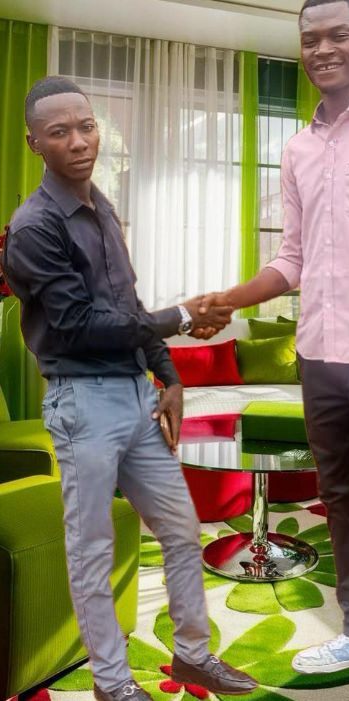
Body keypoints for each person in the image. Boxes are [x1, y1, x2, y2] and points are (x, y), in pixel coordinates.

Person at [200, 1, 349, 699]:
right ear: (301, 49)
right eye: (311, 39)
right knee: (337, 497)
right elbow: (292, 259)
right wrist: (230, 298)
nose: (324, 49)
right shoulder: (297, 149)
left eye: (339, 35)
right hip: (317, 356)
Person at [2, 76, 257, 701]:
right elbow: (79, 326)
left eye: (86, 126)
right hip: (82, 403)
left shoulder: (104, 208)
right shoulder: (34, 228)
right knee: (91, 550)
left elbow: (128, 307)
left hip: (137, 397)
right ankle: (113, 686)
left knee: (181, 529)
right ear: (35, 144)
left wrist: (168, 374)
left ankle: (193, 655)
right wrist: (183, 316)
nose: (78, 141)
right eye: (59, 132)